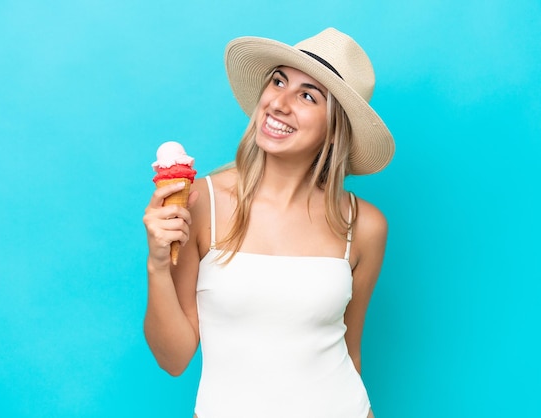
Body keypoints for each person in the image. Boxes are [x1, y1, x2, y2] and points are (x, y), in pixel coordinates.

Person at [143, 27, 395, 418]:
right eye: (279, 81)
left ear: (334, 133)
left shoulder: (364, 226)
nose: (279, 102)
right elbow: (173, 359)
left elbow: (351, 350)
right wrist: (157, 264)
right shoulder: (201, 202)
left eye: (308, 96)